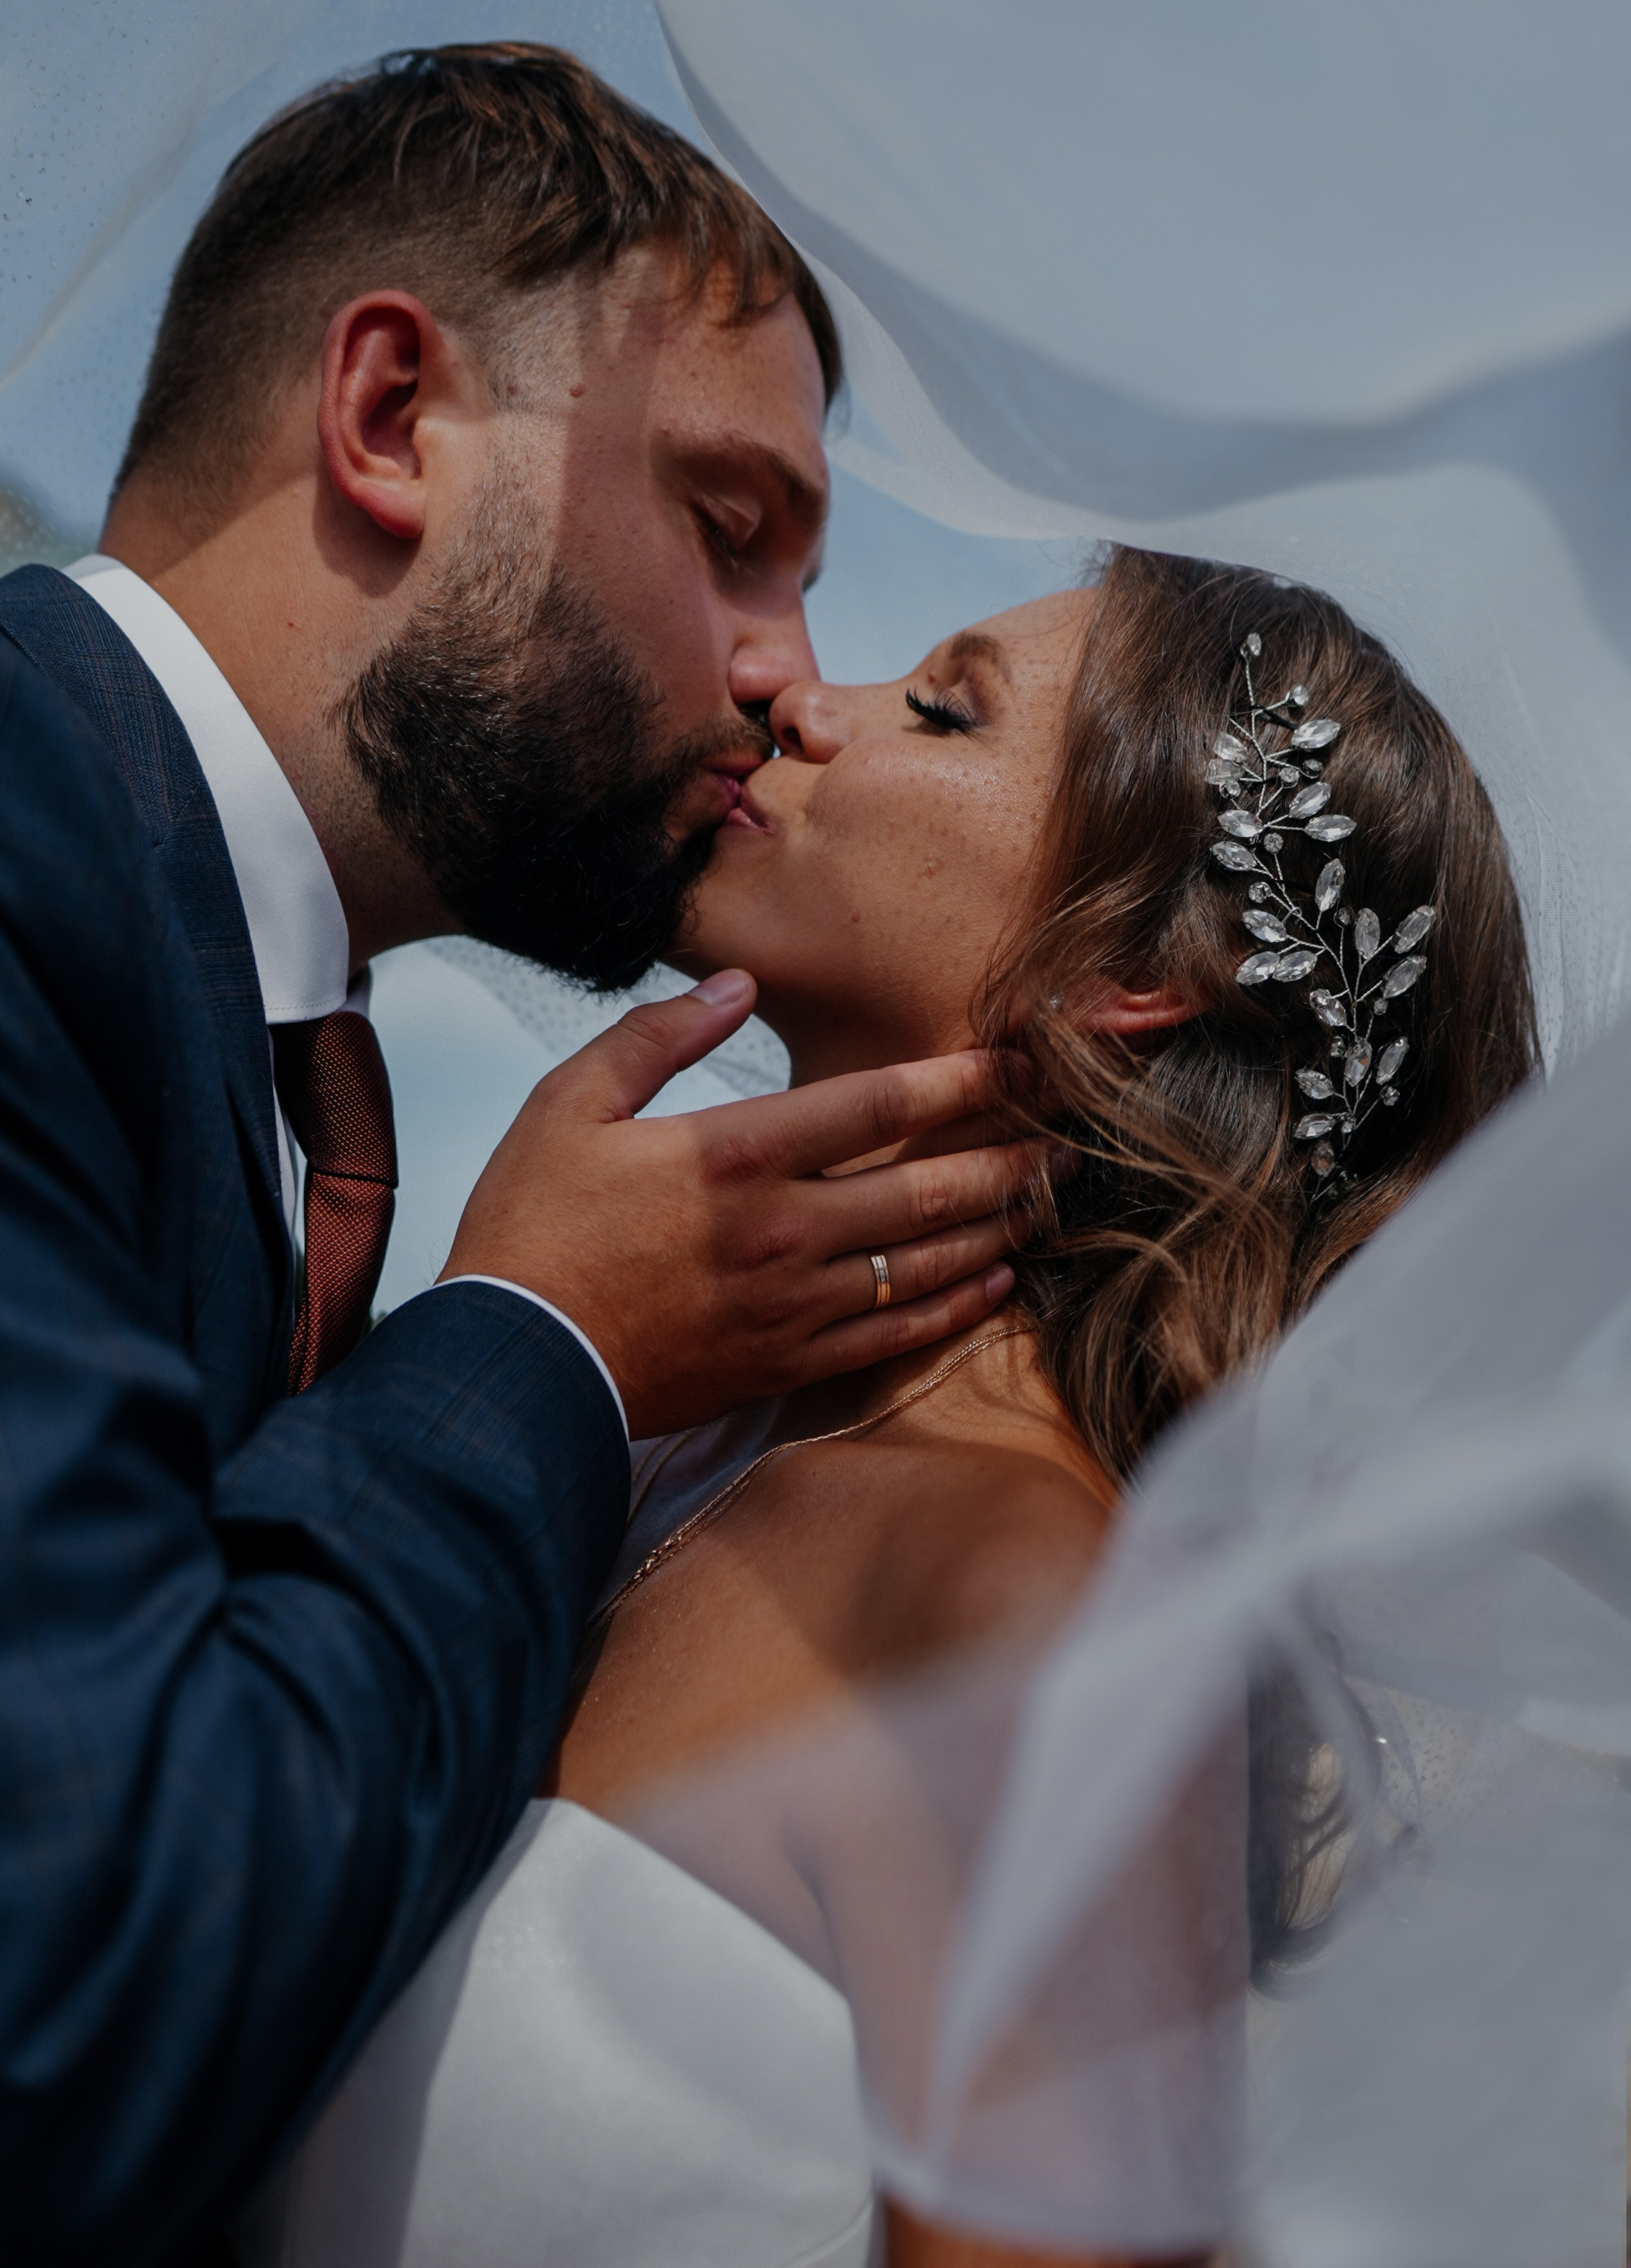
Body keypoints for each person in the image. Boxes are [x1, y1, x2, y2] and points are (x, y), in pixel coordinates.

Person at [0, 44, 1036, 2268]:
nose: (788, 679)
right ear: (391, 417)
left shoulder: (220, 1008)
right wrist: (541, 1335)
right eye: (731, 528)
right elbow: (73, 1971)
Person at [239, 547, 1538, 2267]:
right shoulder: (661, 1431)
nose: (801, 701)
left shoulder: (1043, 1619)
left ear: (1138, 968)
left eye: (939, 708)